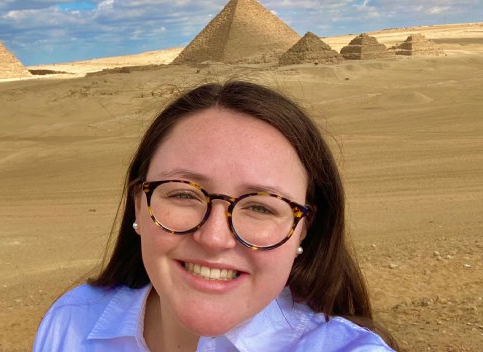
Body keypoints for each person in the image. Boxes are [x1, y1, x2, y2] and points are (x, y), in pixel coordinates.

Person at [34, 81, 398, 351]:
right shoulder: (71, 323)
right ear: (139, 208)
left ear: (303, 230)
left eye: (260, 206)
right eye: (182, 194)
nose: (214, 238)